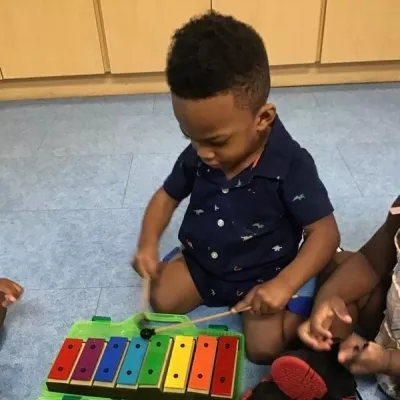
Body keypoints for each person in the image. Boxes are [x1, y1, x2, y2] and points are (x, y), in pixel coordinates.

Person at [132, 11, 340, 363]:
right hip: (204, 261)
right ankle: (183, 263)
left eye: (216, 140)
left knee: (263, 350)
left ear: (263, 118)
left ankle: (310, 305)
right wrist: (148, 243)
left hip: (265, 274)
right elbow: (166, 196)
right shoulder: (201, 150)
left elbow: (325, 233)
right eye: (191, 137)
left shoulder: (291, 164)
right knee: (163, 298)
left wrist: (283, 285)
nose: (202, 153)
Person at [249, 196, 400, 400]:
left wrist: (388, 361)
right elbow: (369, 263)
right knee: (340, 265)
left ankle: (335, 381)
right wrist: (327, 300)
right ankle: (323, 362)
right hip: (390, 328)